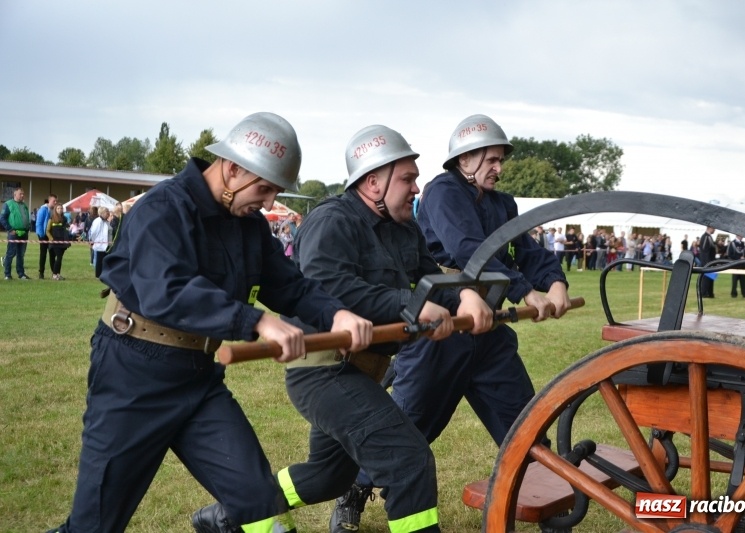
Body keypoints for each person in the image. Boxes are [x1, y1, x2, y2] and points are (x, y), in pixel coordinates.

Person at [46, 112, 373, 533]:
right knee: (95, 525)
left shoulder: (249, 225)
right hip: (133, 377)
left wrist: (337, 313)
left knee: (260, 502)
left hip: (200, 381)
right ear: (233, 168)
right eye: (265, 188)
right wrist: (256, 322)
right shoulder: (163, 208)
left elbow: (291, 286)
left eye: (275, 191)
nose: (271, 203)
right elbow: (166, 291)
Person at [192, 125, 492, 533]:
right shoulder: (330, 221)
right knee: (407, 459)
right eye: (407, 178)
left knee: (328, 477)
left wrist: (465, 296)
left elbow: (430, 280)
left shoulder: (405, 227)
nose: (417, 188)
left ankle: (229, 516)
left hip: (365, 369)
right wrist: (416, 307)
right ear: (373, 182)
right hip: (323, 370)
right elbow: (329, 289)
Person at [329, 114, 570, 533]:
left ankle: (548, 504)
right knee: (407, 423)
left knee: (522, 419)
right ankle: (354, 487)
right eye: (491, 159)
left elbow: (525, 248)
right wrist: (524, 289)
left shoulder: (503, 203)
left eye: (500, 160)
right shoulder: (442, 192)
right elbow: (468, 249)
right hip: (442, 330)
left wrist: (555, 281)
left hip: (489, 331)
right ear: (467, 158)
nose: (498, 167)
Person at [0, 187, 32, 280]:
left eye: (23, 194)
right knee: (11, 253)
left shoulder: (24, 205)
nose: (22, 195)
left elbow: (26, 217)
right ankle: (7, 274)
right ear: (15, 195)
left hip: (24, 233)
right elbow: (2, 218)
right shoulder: (8, 204)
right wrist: (10, 229)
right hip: (14, 233)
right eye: (20, 194)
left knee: (21, 254)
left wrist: (28, 227)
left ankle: (21, 273)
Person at [46, 203, 71, 280]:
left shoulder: (65, 219)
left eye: (61, 208)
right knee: (54, 258)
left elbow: (66, 229)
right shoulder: (51, 219)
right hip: (54, 242)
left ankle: (57, 274)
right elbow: (47, 231)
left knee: (60, 258)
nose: (60, 210)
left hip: (62, 241)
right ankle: (54, 274)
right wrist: (51, 239)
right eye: (58, 208)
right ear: (55, 210)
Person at [36, 194, 58, 279]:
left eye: (56, 201)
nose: (55, 203)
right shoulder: (43, 210)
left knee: (52, 254)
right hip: (43, 235)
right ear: (49, 201)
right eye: (54, 201)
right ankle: (41, 273)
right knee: (43, 254)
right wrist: (42, 235)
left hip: (51, 235)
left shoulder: (54, 210)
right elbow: (39, 223)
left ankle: (54, 273)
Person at [87, 206, 112, 278]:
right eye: (107, 212)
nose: (108, 214)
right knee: (99, 260)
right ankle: (98, 275)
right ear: (102, 213)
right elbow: (93, 232)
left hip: (107, 244)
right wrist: (93, 241)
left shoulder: (107, 222)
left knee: (105, 260)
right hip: (100, 244)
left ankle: (104, 274)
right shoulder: (98, 221)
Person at [699, 226, 717, 298]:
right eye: (714, 228)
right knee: (706, 278)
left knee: (711, 277)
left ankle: (710, 293)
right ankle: (704, 292)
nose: (715, 230)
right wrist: (707, 262)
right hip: (707, 261)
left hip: (711, 261)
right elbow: (704, 250)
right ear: (710, 228)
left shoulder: (709, 237)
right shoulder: (705, 237)